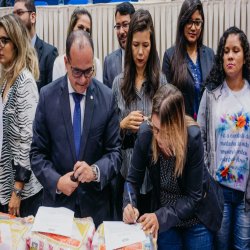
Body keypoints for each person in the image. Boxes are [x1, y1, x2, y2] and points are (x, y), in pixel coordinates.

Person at [30, 30, 122, 227]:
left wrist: (95, 171)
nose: (83, 79)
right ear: (66, 63)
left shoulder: (106, 98)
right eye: (77, 72)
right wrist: (56, 182)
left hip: (96, 210)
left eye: (89, 71)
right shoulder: (47, 97)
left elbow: (115, 153)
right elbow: (37, 154)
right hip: (58, 210)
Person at [123, 84, 224, 249]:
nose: (159, 138)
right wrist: (129, 204)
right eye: (156, 129)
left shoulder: (192, 138)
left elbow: (193, 198)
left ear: (177, 126)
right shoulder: (146, 134)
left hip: (196, 216)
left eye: (166, 132)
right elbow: (132, 180)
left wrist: (160, 217)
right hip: (165, 218)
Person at [197, 27, 250, 250]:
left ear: (245, 56)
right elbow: (199, 137)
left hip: (246, 196)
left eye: (236, 50)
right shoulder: (211, 94)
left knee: (243, 247)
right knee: (219, 246)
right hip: (218, 192)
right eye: (226, 51)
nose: (230, 55)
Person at [112, 9, 167, 220]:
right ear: (128, 45)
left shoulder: (161, 83)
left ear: (152, 46)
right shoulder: (118, 83)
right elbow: (109, 136)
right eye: (136, 46)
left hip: (155, 181)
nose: (141, 53)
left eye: (145, 46)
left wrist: (151, 127)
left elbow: (170, 132)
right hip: (126, 178)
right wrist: (123, 124)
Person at [0, 14, 43, 217]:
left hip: (23, 193)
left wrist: (17, 190)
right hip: (6, 185)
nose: (0, 45)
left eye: (4, 40)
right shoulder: (6, 78)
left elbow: (28, 142)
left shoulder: (24, 82)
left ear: (16, 43)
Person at [162, 0, 214, 120]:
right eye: (189, 22)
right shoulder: (170, 56)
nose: (193, 27)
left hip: (206, 126)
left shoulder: (210, 55)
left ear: (202, 24)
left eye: (197, 22)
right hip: (181, 128)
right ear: (182, 22)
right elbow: (166, 100)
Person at [13, 0, 58, 92]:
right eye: (14, 14)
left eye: (20, 13)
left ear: (33, 17)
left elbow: (53, 96)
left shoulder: (49, 53)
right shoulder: (12, 53)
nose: (15, 19)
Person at [53, 7, 103, 83]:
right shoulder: (59, 63)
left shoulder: (96, 64)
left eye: (87, 30)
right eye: (80, 28)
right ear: (71, 29)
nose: (84, 33)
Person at [103, 2, 135, 89]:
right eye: (118, 26)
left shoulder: (148, 55)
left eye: (125, 25)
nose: (121, 31)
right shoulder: (108, 62)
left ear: (134, 25)